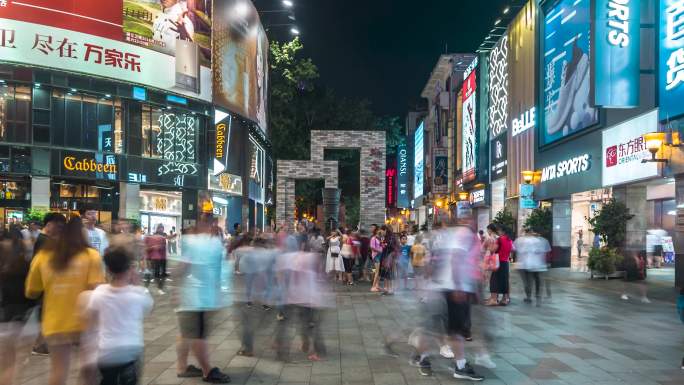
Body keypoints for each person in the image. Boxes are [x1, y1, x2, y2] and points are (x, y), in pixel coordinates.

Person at [25, 215, 105, 385]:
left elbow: (31, 291)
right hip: (85, 322)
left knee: (59, 370)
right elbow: (96, 289)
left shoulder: (43, 256)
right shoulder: (91, 255)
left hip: (55, 322)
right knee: (88, 369)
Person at [409, 225, 484, 381]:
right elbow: (439, 264)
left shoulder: (441, 237)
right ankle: (426, 359)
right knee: (441, 329)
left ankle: (428, 359)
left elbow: (429, 266)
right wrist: (457, 286)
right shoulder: (451, 237)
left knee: (443, 329)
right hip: (446, 289)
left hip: (442, 289)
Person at [173, 214, 231, 383]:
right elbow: (184, 267)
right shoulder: (202, 242)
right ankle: (207, 371)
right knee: (197, 335)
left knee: (186, 333)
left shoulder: (200, 241)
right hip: (195, 297)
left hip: (195, 296)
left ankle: (182, 367)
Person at [84, 247, 153, 385]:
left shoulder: (98, 293)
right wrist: (136, 283)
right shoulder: (140, 294)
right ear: (130, 268)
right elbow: (149, 309)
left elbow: (90, 321)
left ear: (108, 270)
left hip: (106, 353)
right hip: (131, 351)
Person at [0, 225, 36, 385]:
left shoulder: (5, 269)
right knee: (12, 360)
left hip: (5, 315)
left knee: (7, 360)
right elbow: (30, 294)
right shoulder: (25, 266)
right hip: (18, 318)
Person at [30, 212, 67, 357]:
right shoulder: (44, 240)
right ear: (49, 224)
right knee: (47, 315)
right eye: (58, 226)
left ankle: (41, 344)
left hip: (46, 284)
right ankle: (39, 345)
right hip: (46, 285)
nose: (59, 229)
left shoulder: (43, 238)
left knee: (47, 315)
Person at [514, 230, 551, 306]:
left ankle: (530, 297)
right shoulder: (539, 241)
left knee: (529, 282)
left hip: (528, 265)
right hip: (537, 265)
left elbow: (516, 250)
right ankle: (536, 298)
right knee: (537, 282)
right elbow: (547, 252)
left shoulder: (526, 240)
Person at [485, 224, 512, 306]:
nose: (499, 232)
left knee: (494, 280)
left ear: (503, 231)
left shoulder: (500, 239)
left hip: (498, 262)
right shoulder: (509, 240)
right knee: (504, 281)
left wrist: (489, 248)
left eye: (500, 230)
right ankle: (504, 299)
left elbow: (493, 249)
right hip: (505, 262)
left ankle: (493, 299)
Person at [145, 224, 168, 295]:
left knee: (158, 274)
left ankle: (159, 288)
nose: (161, 230)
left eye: (162, 228)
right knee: (150, 273)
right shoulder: (149, 237)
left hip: (161, 258)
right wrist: (153, 247)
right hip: (151, 258)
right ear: (156, 229)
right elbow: (145, 249)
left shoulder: (163, 238)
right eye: (159, 228)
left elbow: (163, 248)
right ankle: (146, 288)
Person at [370, 226, 384, 292]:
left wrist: (383, 245)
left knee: (377, 271)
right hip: (376, 256)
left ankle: (377, 285)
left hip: (380, 255)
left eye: (380, 230)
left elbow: (382, 246)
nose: (380, 231)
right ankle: (373, 286)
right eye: (378, 230)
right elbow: (372, 247)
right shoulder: (373, 238)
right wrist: (379, 251)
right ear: (376, 231)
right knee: (376, 271)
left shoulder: (380, 238)